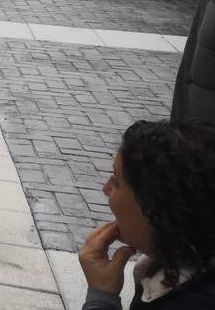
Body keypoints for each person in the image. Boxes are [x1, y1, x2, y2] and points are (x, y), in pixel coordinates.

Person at [78, 119, 215, 308]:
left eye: (117, 182)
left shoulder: (191, 301)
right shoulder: (173, 270)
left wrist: (101, 296)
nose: (106, 188)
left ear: (152, 205)